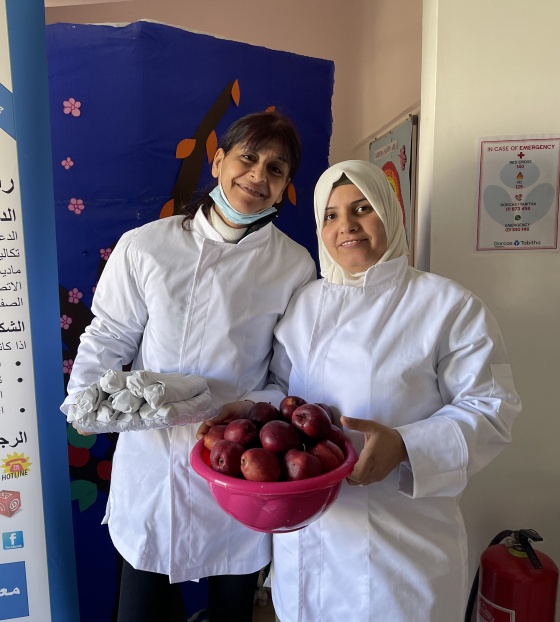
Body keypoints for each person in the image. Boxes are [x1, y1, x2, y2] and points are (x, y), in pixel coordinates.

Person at [61, 110, 316, 622]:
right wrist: (88, 394)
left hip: (243, 466)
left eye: (275, 169)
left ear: (286, 186)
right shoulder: (147, 246)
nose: (258, 177)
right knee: (141, 608)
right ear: (219, 161)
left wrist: (245, 408)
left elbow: (288, 378)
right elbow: (109, 333)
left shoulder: (293, 266)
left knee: (231, 609)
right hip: (153, 464)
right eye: (248, 158)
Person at [266, 160, 522, 622]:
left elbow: (492, 409)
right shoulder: (304, 305)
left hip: (401, 548)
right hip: (311, 543)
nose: (346, 226)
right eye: (331, 215)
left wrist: (406, 445)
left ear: (389, 211)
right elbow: (281, 393)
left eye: (361, 208)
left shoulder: (447, 305)